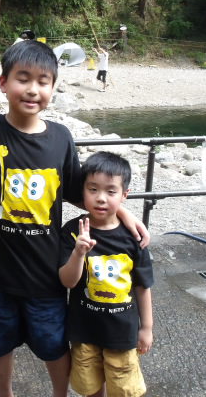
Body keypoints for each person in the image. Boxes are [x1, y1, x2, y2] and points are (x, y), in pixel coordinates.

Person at [0, 12, 150, 397]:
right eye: (23, 79)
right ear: (3, 83)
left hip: (45, 275)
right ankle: (5, 394)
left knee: (54, 346)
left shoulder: (61, 138)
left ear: (53, 87)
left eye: (43, 81)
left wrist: (122, 210)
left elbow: (78, 190)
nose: (33, 89)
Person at [59, 151, 153, 397]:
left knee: (124, 388)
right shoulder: (72, 231)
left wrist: (147, 328)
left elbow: (143, 286)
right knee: (89, 385)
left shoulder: (133, 238)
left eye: (111, 191)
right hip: (84, 330)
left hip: (122, 332)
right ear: (82, 191)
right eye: (93, 189)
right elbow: (68, 281)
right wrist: (78, 253)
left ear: (124, 195)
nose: (101, 198)